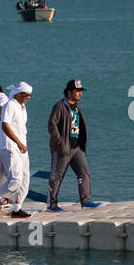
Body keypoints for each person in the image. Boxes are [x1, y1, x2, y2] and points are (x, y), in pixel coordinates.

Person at [47, 78, 100, 210]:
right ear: (69, 92)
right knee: (57, 176)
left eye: (81, 91)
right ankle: (52, 204)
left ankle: (86, 202)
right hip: (62, 149)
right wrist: (60, 143)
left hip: (76, 148)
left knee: (84, 173)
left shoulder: (76, 106)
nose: (80, 94)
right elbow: (51, 126)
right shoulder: (59, 106)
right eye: (77, 91)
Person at [0, 82, 33, 218]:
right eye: (27, 95)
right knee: (15, 178)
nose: (29, 98)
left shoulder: (22, 107)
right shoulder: (10, 105)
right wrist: (18, 142)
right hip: (9, 146)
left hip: (22, 147)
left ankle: (16, 208)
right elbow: (5, 126)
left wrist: (22, 143)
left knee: (25, 179)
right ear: (18, 94)